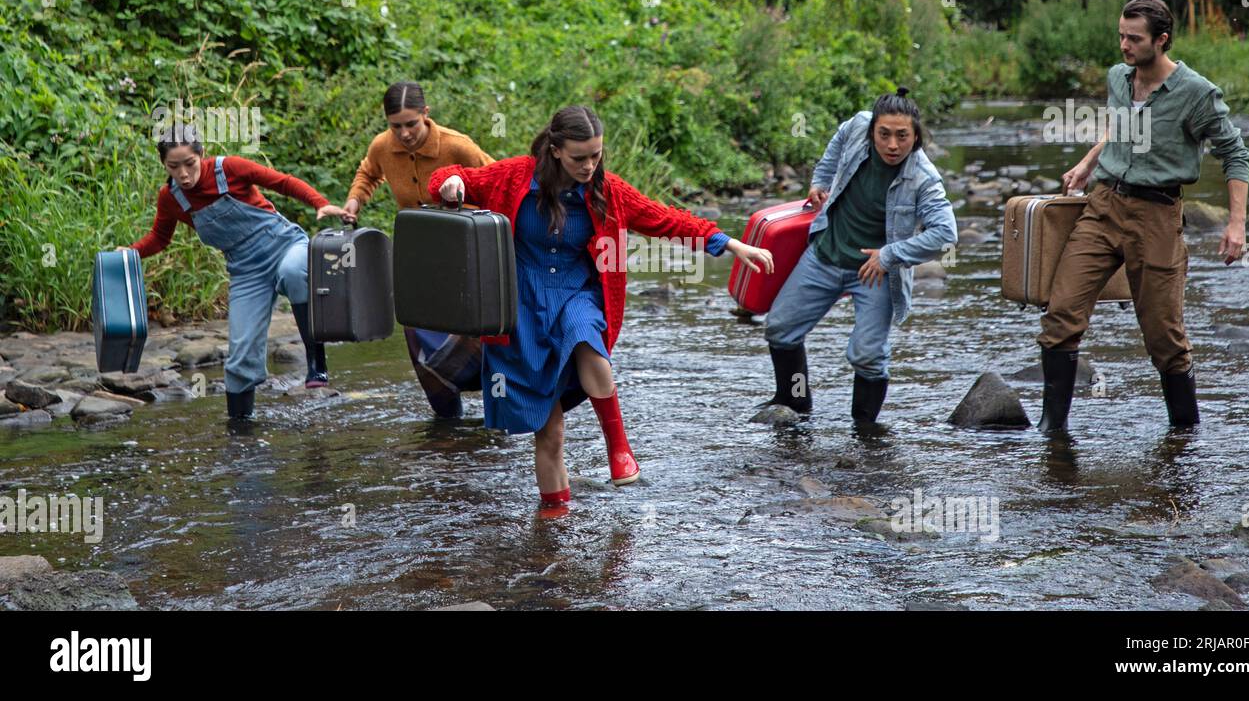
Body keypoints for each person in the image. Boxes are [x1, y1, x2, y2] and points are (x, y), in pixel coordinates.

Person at [428, 105, 773, 512]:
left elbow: (666, 219)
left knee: (588, 340)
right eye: (579, 157)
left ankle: (619, 448)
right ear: (555, 150)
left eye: (596, 155)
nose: (590, 165)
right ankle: (554, 517)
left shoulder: (608, 191)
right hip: (519, 308)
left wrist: (730, 244)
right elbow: (448, 180)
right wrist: (448, 182)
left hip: (577, 292)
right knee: (550, 433)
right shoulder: (514, 176)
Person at [1037, 0, 1249, 432]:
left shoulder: (1197, 93)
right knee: (1060, 315)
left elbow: (1236, 154)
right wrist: (1089, 161)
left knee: (1164, 339)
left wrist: (1236, 224)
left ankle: (1185, 435)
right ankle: (1052, 431)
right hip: (1102, 207)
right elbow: (1123, 128)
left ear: (1162, 40)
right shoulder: (1119, 78)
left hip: (1157, 217)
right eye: (1120, 36)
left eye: (1134, 39)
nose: (1124, 46)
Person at [124, 124, 351, 420]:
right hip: (246, 271)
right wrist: (130, 252)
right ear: (164, 165)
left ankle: (315, 361)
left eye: (190, 164)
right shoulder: (171, 198)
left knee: (294, 273)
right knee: (240, 358)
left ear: (201, 155)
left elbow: (282, 182)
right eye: (173, 167)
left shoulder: (229, 169)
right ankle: (240, 433)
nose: (183, 174)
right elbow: (159, 238)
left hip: (284, 245)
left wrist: (320, 204)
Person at [763, 88, 957, 426]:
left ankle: (864, 429)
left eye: (902, 136)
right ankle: (794, 402)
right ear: (872, 132)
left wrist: (889, 255)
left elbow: (945, 233)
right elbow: (838, 140)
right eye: (884, 135)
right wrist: (821, 180)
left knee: (867, 355)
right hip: (825, 252)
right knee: (780, 328)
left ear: (916, 137)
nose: (892, 145)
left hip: (876, 272)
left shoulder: (924, 178)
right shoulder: (857, 127)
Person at [343, 81, 495, 419]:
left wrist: (465, 189)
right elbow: (368, 173)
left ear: (426, 115)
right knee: (420, 336)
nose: (405, 133)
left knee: (479, 337)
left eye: (411, 123)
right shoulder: (383, 146)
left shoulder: (458, 146)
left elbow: (497, 180)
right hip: (418, 258)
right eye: (395, 126)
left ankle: (497, 413)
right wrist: (354, 202)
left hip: (466, 257)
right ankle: (447, 421)